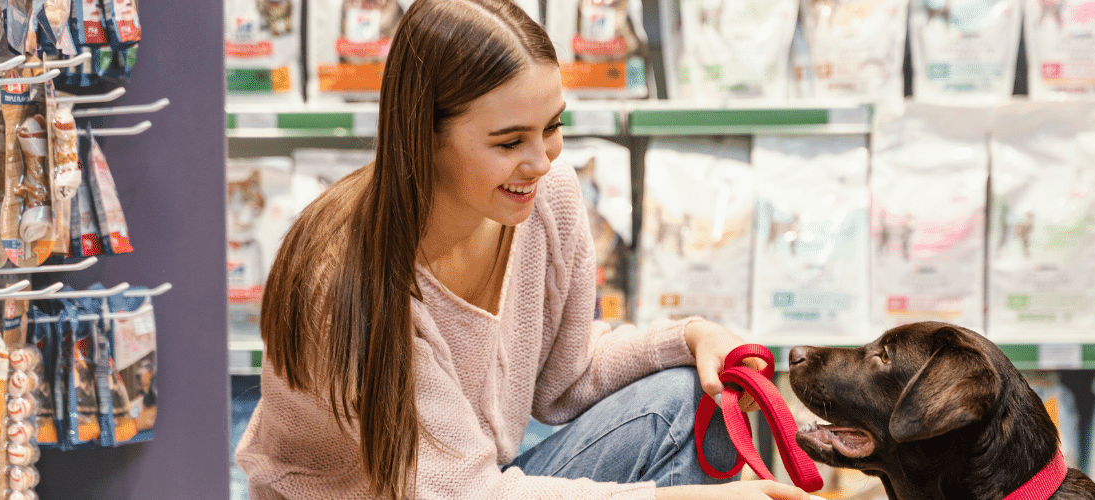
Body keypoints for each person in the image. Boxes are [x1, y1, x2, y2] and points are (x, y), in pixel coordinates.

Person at [233, 1, 811, 499]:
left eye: (552, 127)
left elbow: (566, 379)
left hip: (480, 481)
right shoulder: (344, 283)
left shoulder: (543, 197)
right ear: (423, 135)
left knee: (692, 392)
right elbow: (460, 494)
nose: (542, 161)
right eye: (510, 141)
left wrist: (693, 337)